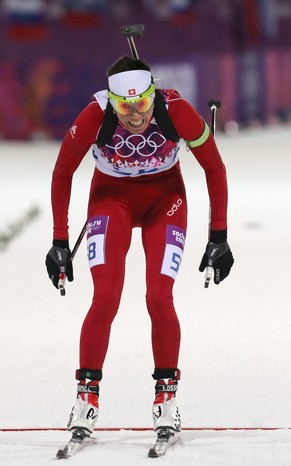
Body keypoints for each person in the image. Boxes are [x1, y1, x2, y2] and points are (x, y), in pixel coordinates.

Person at [45, 55, 234, 438]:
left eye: (143, 104)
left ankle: (166, 400)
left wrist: (219, 236)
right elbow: (62, 172)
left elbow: (214, 167)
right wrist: (59, 240)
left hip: (166, 201)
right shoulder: (94, 115)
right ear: (110, 101)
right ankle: (86, 399)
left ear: (154, 94)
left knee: (159, 297)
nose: (134, 115)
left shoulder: (176, 109)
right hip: (110, 200)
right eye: (124, 106)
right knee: (106, 296)